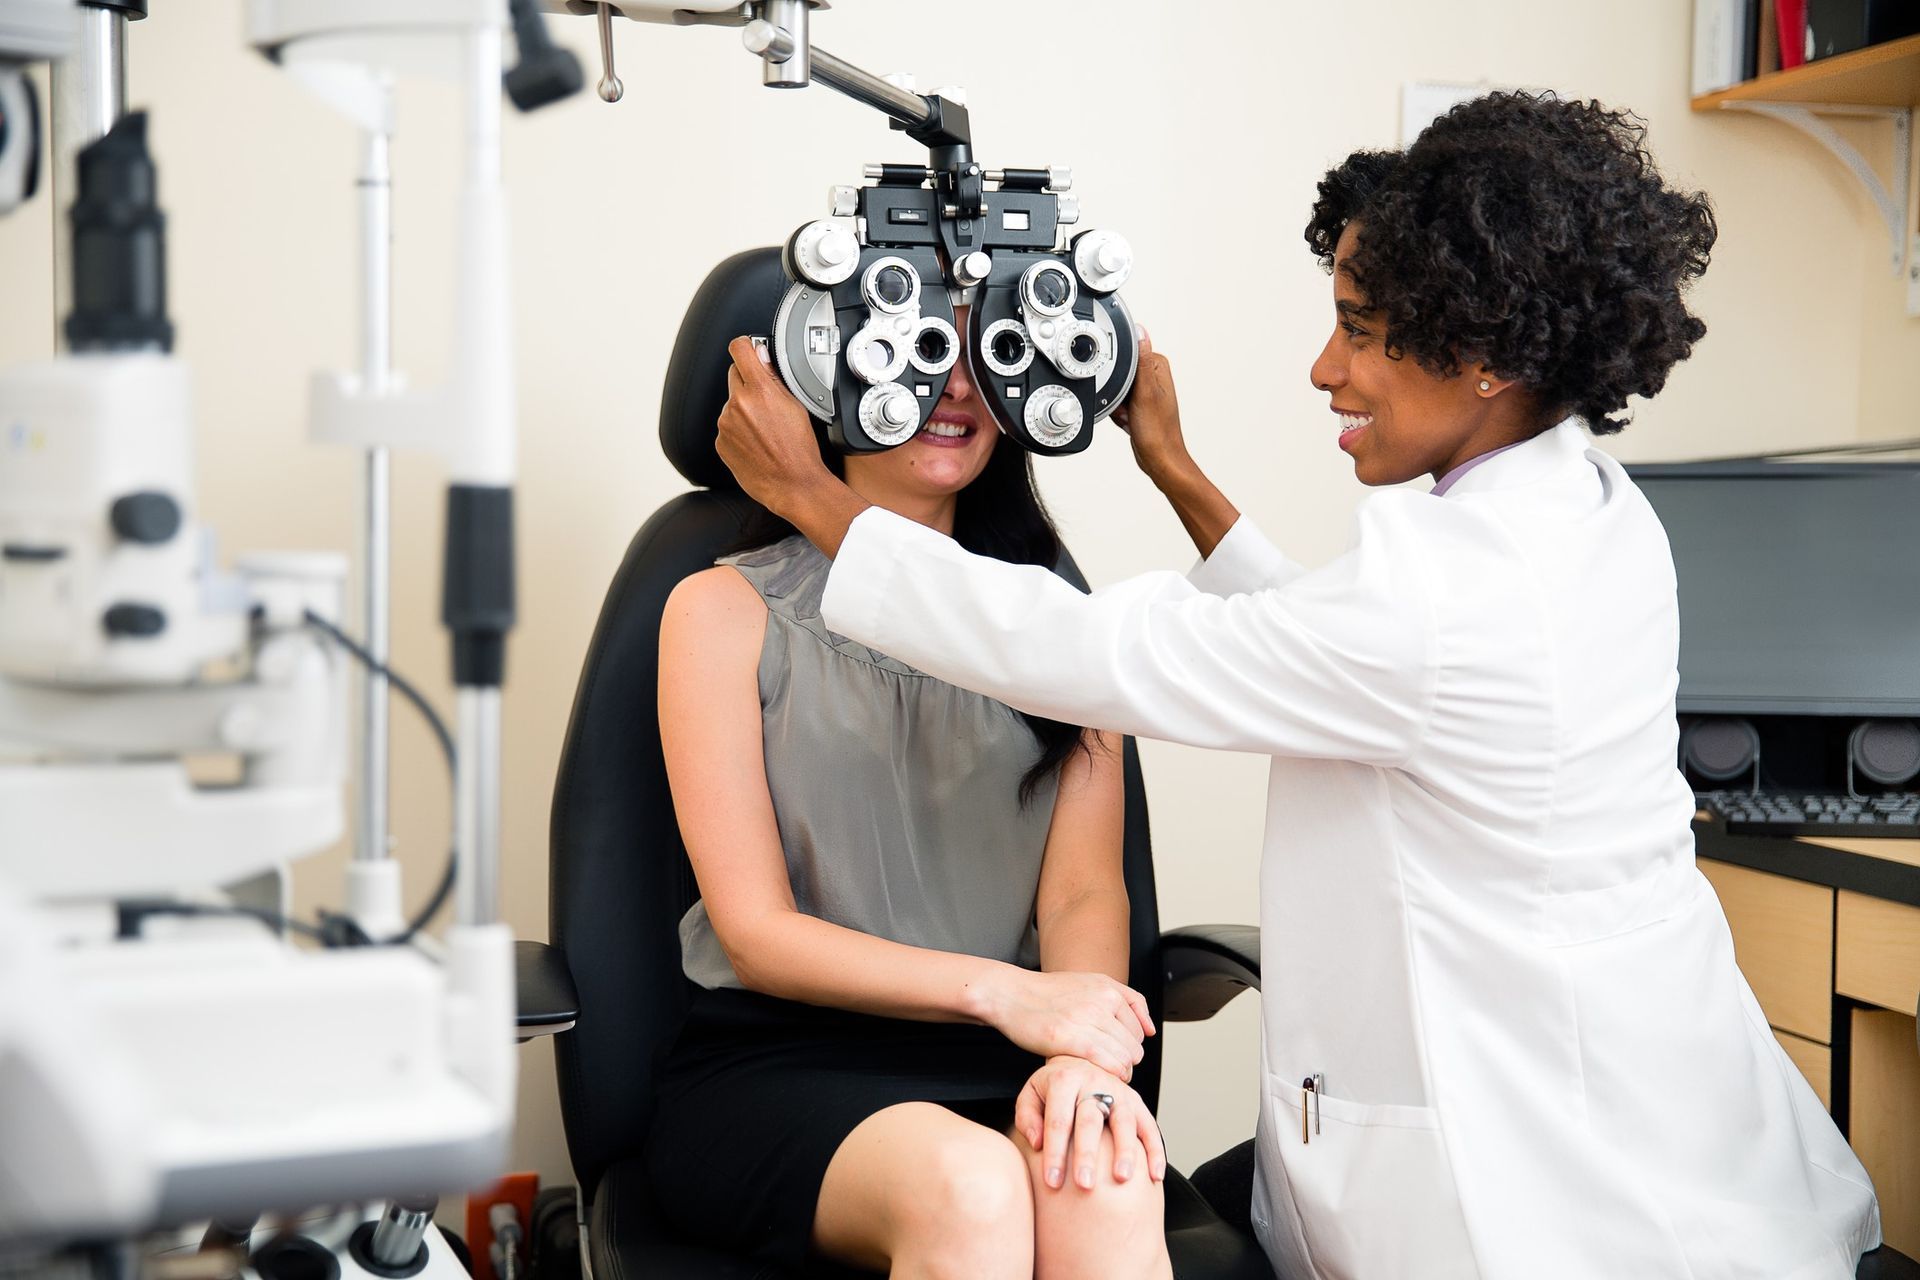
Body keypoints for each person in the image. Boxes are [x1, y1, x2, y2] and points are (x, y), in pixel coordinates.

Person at [711, 92, 1883, 1278]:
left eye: (1362, 329)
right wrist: (1176, 472)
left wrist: (818, 500)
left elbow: (1113, 655)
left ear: (1484, 355)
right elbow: (1330, 647)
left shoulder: (1442, 601)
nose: (1326, 369)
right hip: (1654, 1100)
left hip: (1533, 1176)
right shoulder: (1592, 510)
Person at [644, 317, 1174, 1280]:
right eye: (922, 348)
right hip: (783, 1066)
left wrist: (1082, 1064)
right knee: (971, 1189)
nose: (958, 385)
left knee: (1107, 1177)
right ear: (827, 370)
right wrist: (1009, 996)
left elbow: (1083, 895)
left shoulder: (1058, 628)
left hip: (1011, 1056)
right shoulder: (716, 614)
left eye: (987, 357)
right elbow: (756, 934)